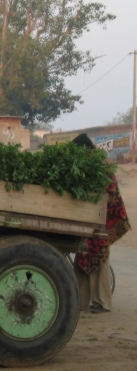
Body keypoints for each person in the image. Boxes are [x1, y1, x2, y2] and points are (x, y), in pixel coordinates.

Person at [71, 133, 131, 313]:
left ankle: (102, 303)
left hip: (105, 217)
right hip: (98, 215)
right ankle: (79, 302)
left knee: (98, 255)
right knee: (85, 255)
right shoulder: (95, 162)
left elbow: (102, 194)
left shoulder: (97, 165)